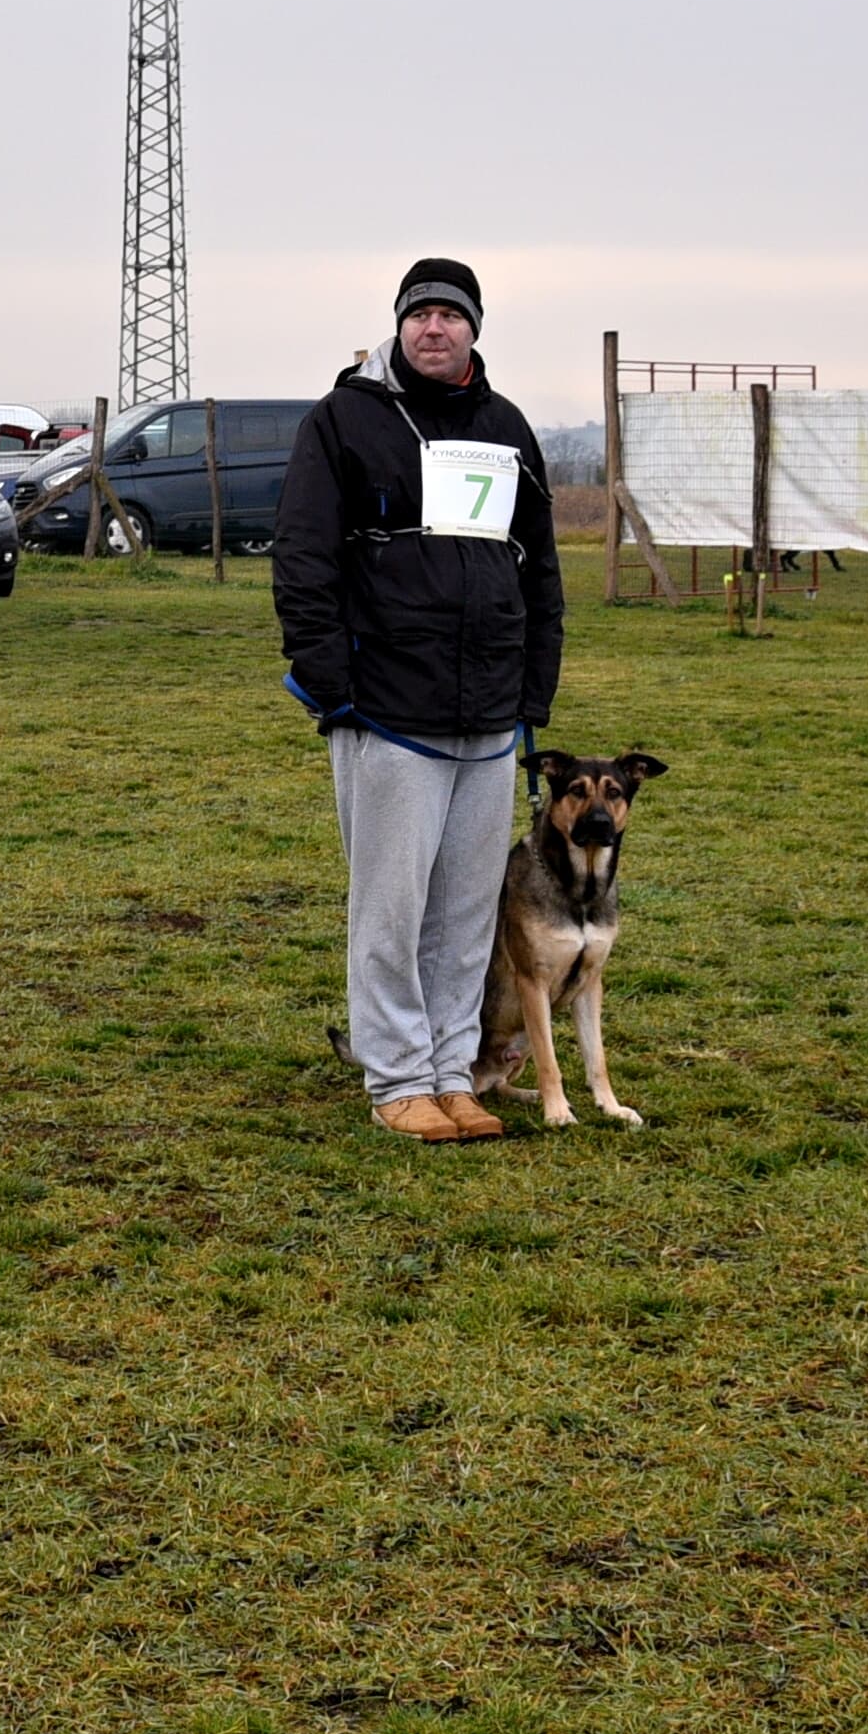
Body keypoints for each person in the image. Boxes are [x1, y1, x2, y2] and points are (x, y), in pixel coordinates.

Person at [272, 258, 565, 1145]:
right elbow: (304, 557)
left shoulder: (506, 427)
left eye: (450, 315)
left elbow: (539, 566)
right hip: (388, 709)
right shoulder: (342, 421)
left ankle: (450, 1072)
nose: (434, 328)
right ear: (399, 326)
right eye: (419, 314)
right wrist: (332, 682)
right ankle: (397, 1079)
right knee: (392, 910)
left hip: (488, 711)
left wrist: (533, 690)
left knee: (466, 912)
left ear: (475, 329)